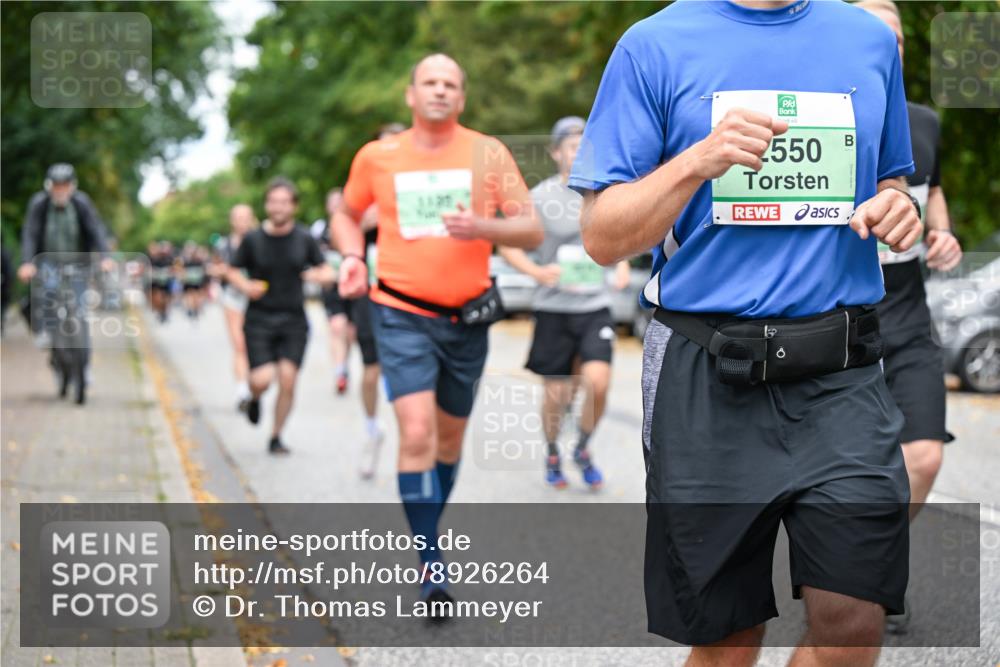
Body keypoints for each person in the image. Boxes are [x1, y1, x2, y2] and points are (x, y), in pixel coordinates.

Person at [571, 1, 922, 664]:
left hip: (840, 374)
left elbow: (891, 178)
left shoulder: (868, 41)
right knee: (728, 639)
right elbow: (601, 234)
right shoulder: (654, 44)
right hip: (708, 369)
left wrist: (897, 205)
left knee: (851, 618)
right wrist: (696, 160)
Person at [333, 53, 542, 615]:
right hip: (399, 311)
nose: (440, 91)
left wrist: (484, 226)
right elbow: (346, 212)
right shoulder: (379, 156)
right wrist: (354, 256)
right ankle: (430, 561)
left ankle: (429, 530)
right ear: (410, 94)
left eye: (451, 83)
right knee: (418, 431)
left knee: (448, 441)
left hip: (466, 319)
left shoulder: (487, 152)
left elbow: (531, 226)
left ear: (462, 97)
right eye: (430, 82)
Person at [857, 0, 963, 634]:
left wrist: (942, 236)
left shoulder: (923, 122)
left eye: (897, 40)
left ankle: (871, 571)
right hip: (838, 321)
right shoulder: (824, 119)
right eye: (876, 36)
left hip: (908, 317)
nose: (888, 49)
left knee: (921, 458)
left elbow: (935, 191)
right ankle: (849, 570)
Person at [499, 116, 631, 490]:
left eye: (585, 145)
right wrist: (537, 272)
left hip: (594, 305)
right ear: (556, 152)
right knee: (557, 391)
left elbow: (620, 235)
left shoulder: (605, 191)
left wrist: (621, 264)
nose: (579, 152)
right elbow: (507, 245)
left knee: (598, 382)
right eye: (572, 146)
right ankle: (554, 450)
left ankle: (584, 448)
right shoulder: (539, 198)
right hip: (554, 307)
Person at [227, 177, 335, 455]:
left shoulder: (304, 238)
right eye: (273, 202)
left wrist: (316, 275)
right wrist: (245, 285)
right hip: (259, 319)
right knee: (262, 379)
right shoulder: (253, 240)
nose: (278, 208)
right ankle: (254, 397)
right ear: (266, 205)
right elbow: (232, 270)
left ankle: (276, 436)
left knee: (288, 379)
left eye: (284, 202)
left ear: (294, 206)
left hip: (294, 320)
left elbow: (327, 272)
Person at [18, 163, 112, 389]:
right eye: (57, 186)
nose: (61, 190)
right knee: (46, 294)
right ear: (49, 187)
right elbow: (30, 234)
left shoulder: (81, 202)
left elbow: (96, 230)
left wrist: (105, 256)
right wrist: (27, 263)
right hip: (48, 261)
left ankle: (85, 366)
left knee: (80, 313)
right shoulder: (39, 204)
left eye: (65, 186)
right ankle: (43, 331)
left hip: (77, 262)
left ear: (72, 186)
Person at [212, 204, 258, 410]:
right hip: (233, 297)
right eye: (238, 217)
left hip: (257, 298)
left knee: (254, 344)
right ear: (232, 220)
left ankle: (254, 384)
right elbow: (215, 267)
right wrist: (225, 273)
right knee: (240, 344)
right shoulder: (224, 245)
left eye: (245, 217)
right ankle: (242, 391)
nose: (242, 221)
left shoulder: (260, 241)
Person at [312, 189, 354, 395]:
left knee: (350, 333)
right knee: (337, 327)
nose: (337, 205)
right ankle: (340, 372)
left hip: (353, 287)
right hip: (331, 287)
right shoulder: (320, 229)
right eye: (333, 202)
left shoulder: (355, 227)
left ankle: (344, 364)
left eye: (341, 202)